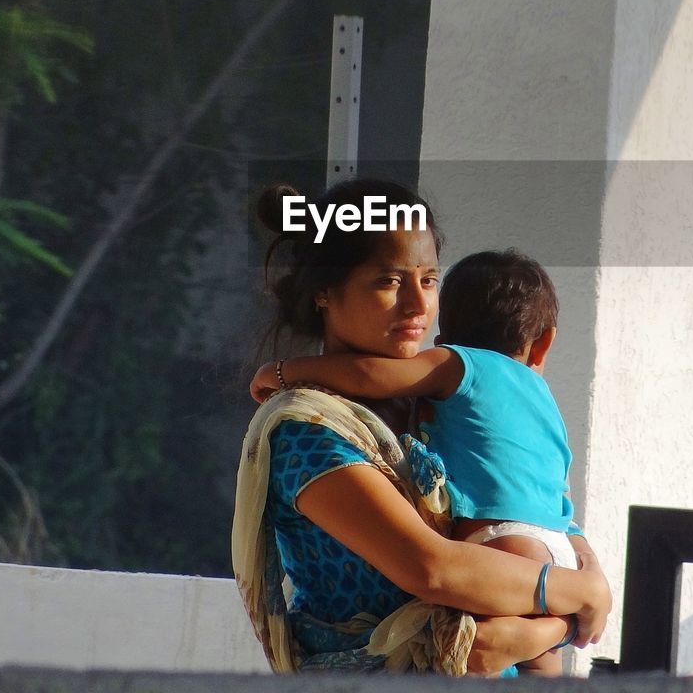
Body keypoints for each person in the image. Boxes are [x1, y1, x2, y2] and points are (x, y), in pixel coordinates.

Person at [231, 179, 610, 675]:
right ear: (325, 291)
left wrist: (551, 622)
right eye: (389, 282)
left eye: (428, 280)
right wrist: (577, 595)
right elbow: (432, 568)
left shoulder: (438, 406)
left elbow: (529, 506)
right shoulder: (309, 431)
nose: (417, 305)